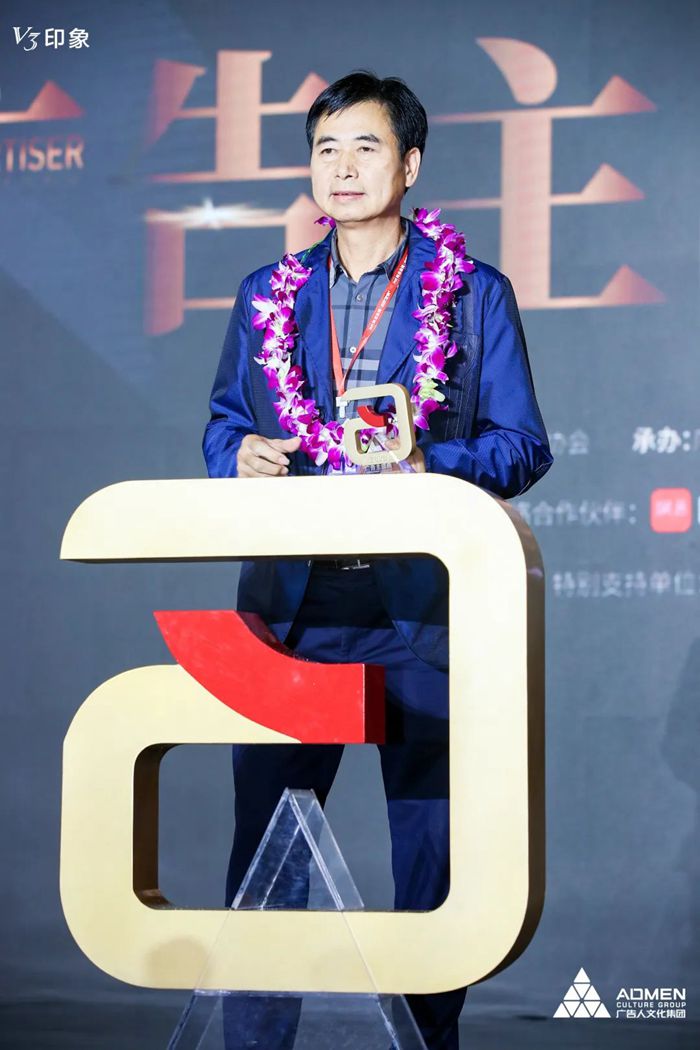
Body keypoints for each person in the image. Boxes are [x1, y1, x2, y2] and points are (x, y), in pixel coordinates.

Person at [203, 70, 552, 1050]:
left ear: (409, 164)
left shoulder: (473, 295)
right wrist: (239, 452)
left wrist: (426, 462)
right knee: (266, 856)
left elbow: (523, 446)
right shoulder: (267, 294)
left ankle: (428, 1041)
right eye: (326, 149)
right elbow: (223, 422)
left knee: (433, 862)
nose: (343, 167)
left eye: (365, 147)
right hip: (292, 609)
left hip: (420, 613)